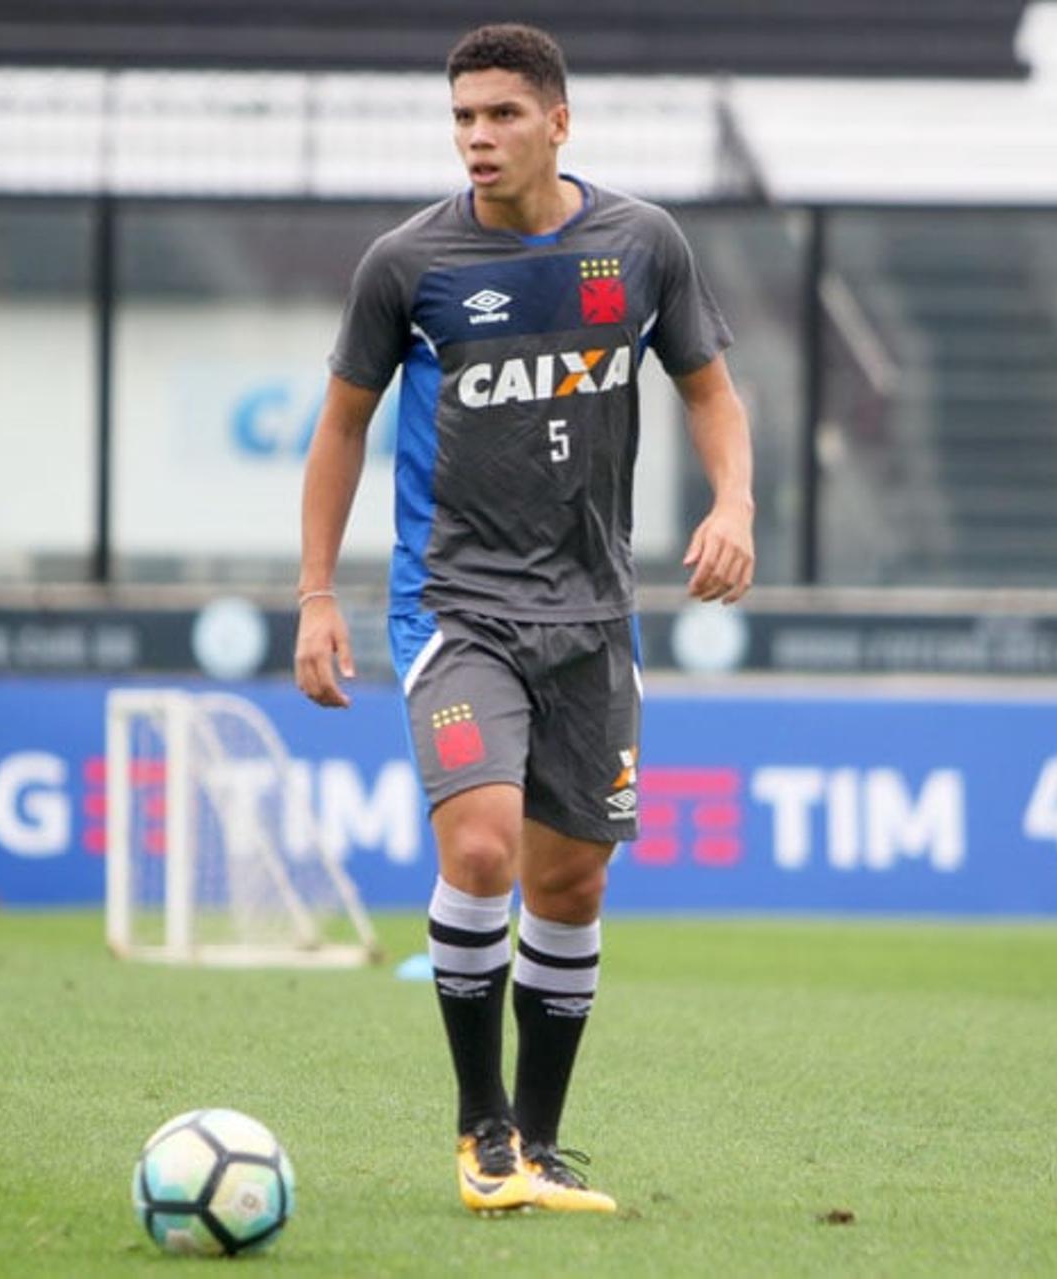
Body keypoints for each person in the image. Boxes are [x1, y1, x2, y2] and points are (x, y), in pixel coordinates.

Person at [294, 23, 755, 1216]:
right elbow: (340, 426)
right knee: (483, 848)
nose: (478, 139)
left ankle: (539, 1146)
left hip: (596, 616)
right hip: (458, 606)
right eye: (462, 118)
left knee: (573, 885)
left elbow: (711, 390)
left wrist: (735, 502)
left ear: (560, 119)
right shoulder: (409, 264)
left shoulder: (641, 244)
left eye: (501, 114)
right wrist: (312, 596)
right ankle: (479, 1129)